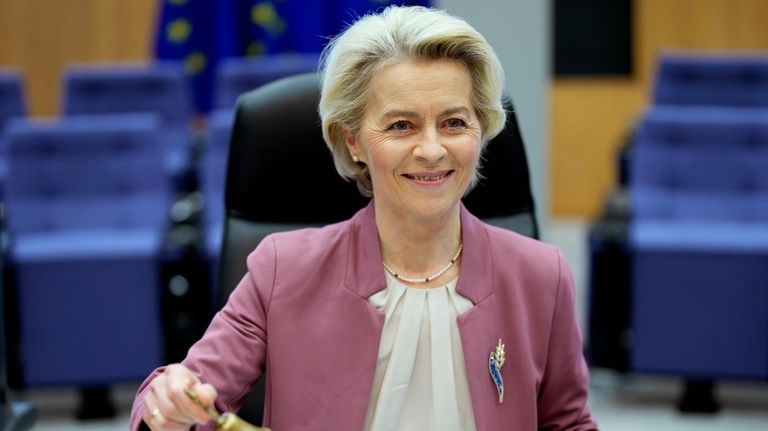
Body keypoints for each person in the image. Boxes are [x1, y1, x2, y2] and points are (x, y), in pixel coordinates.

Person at [131, 5, 598, 431]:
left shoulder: (542, 275)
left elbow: (569, 423)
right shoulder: (282, 270)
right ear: (353, 140)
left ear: (482, 128)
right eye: (401, 125)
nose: (433, 149)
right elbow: (184, 397)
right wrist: (168, 405)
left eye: (455, 122)